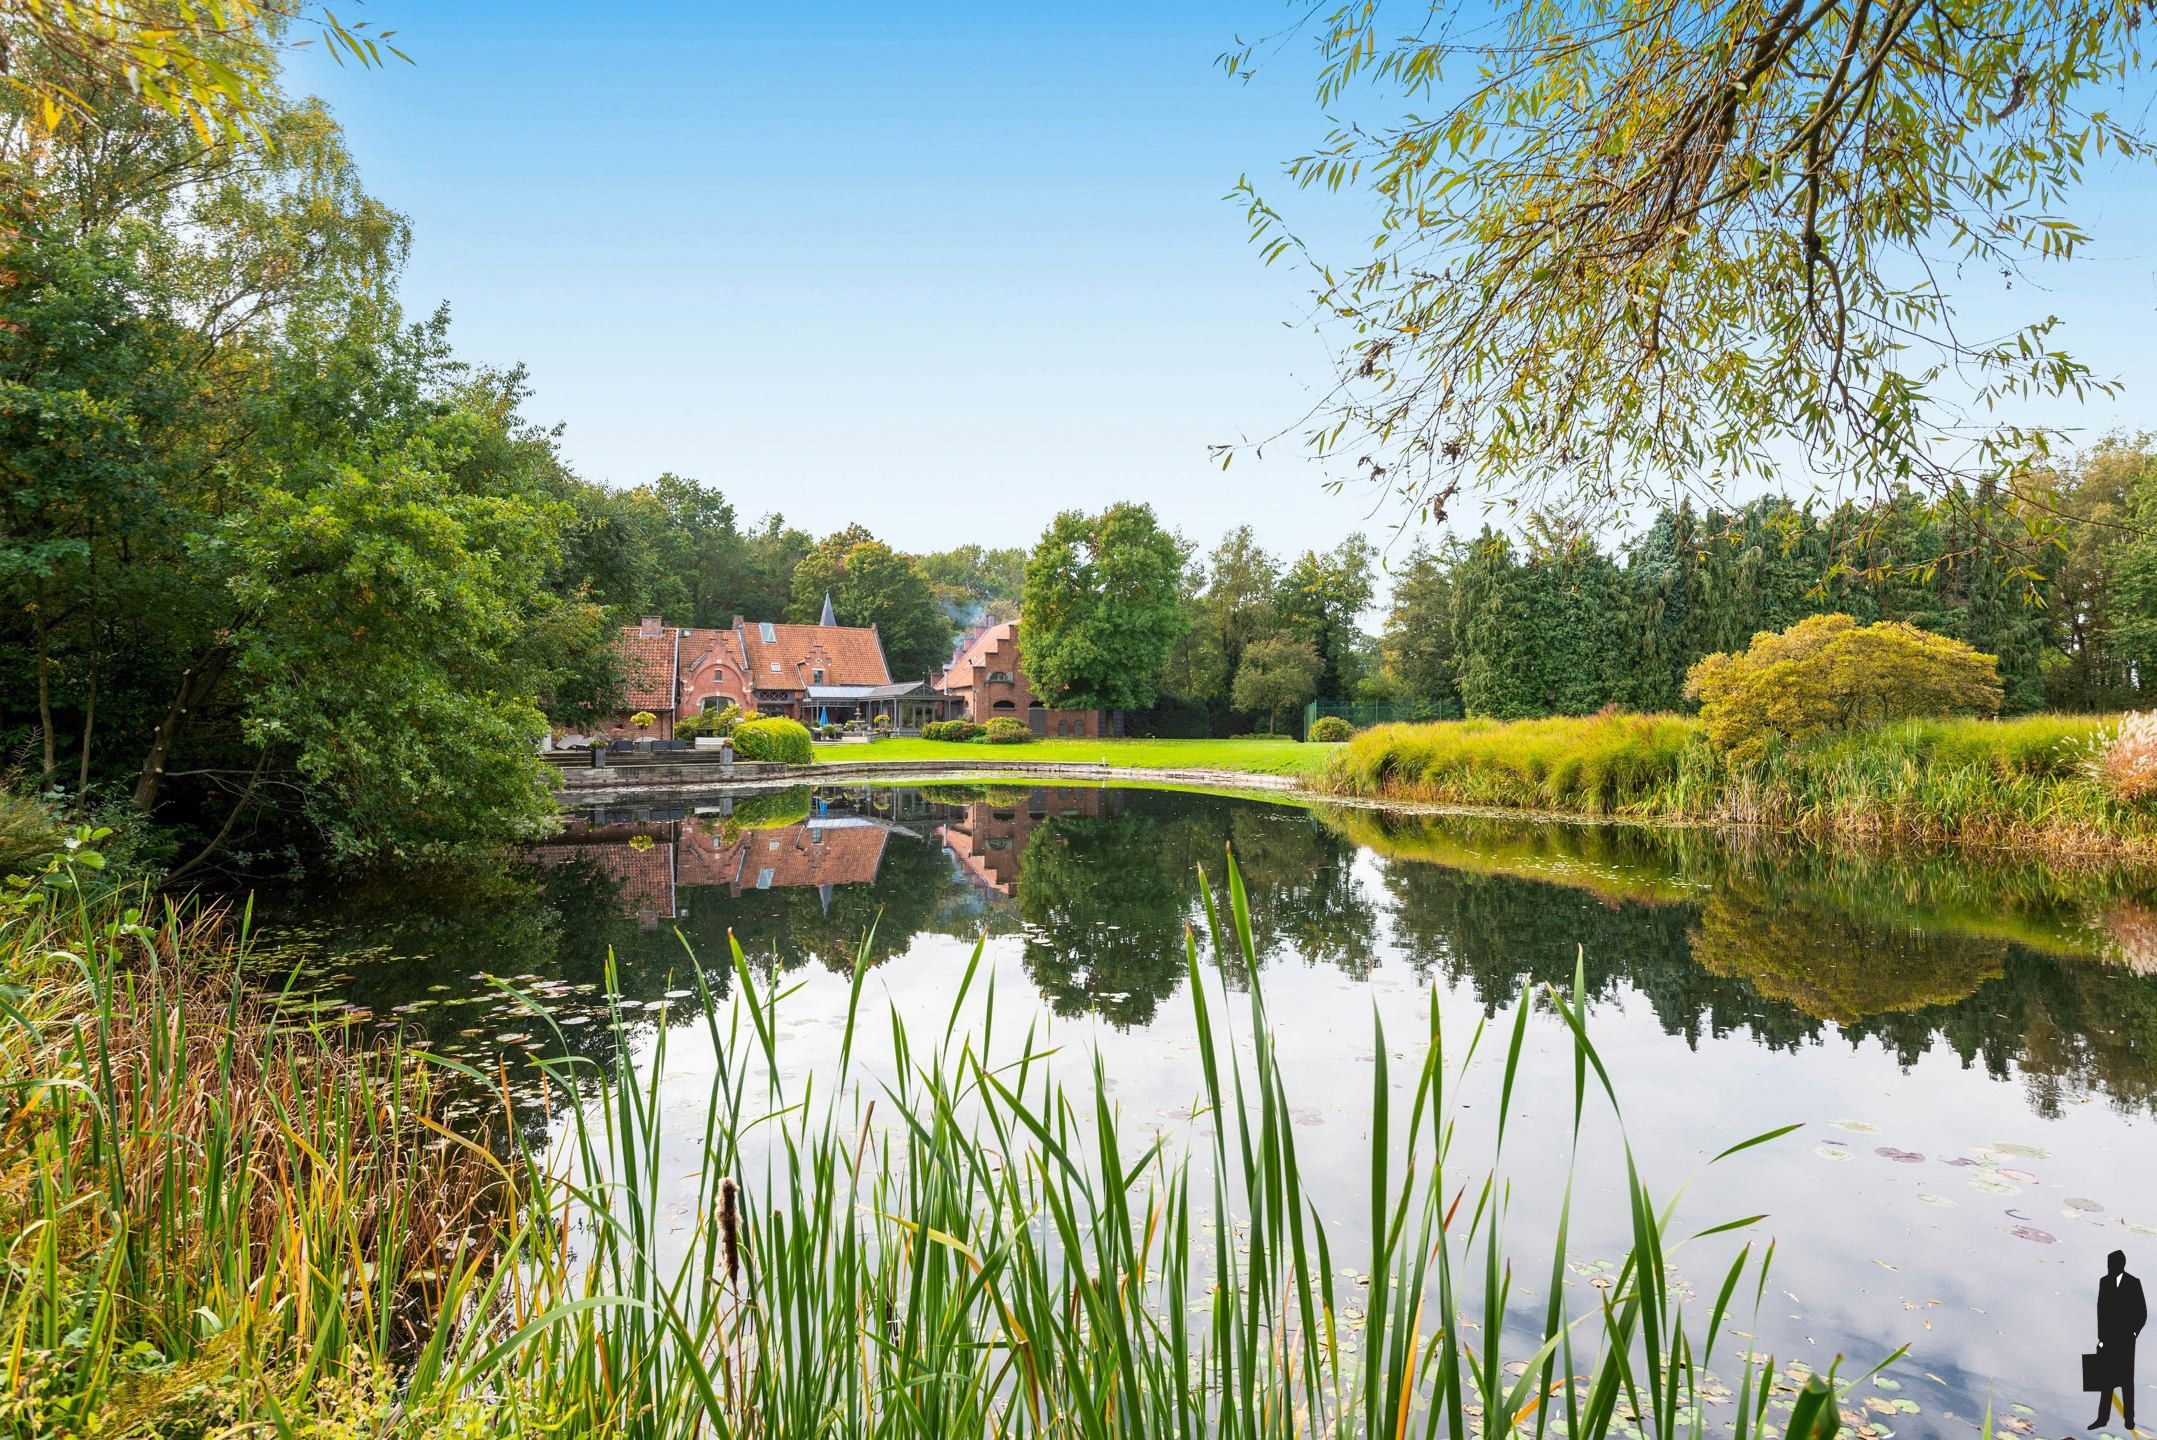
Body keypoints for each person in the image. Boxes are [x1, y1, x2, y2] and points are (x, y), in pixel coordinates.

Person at [2094, 1249, 2147, 1430]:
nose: (2109, 1267)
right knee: (2106, 1380)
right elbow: (2100, 1310)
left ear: (2120, 1265)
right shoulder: (2104, 1282)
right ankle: (2102, 1418)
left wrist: (2133, 1333)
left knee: (2126, 1382)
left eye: (2112, 1264)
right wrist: (2100, 1338)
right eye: (2108, 1264)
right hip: (2108, 1339)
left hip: (2125, 1340)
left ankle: (2129, 1420)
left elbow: (2142, 1312)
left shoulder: (2133, 1283)